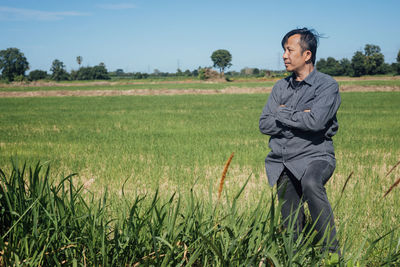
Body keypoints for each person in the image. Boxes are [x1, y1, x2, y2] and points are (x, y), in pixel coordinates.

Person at [259, 28, 341, 253]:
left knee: (311, 183)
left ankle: (332, 255)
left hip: (317, 156)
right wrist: (300, 116)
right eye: (283, 50)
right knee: (290, 222)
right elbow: (264, 124)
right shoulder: (280, 86)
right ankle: (295, 257)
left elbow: (315, 121)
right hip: (283, 160)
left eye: (289, 50)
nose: (284, 55)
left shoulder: (327, 86)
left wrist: (283, 113)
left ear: (307, 55)